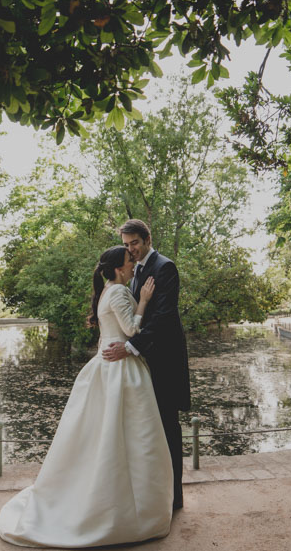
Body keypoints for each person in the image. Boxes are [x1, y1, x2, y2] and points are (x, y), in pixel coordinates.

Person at [0, 245, 173, 548]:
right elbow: (131, 330)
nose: (134, 263)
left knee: (106, 436)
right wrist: (143, 300)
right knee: (130, 436)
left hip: (107, 366)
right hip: (121, 370)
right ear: (119, 268)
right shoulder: (118, 292)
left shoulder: (108, 290)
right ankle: (125, 511)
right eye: (130, 260)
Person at [103, 219, 191, 511]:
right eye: (127, 245)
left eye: (135, 243)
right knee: (145, 432)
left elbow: (163, 318)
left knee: (167, 429)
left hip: (164, 363)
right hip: (142, 366)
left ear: (148, 238)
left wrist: (128, 348)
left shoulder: (165, 268)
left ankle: (174, 499)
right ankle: (150, 496)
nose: (131, 250)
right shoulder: (135, 271)